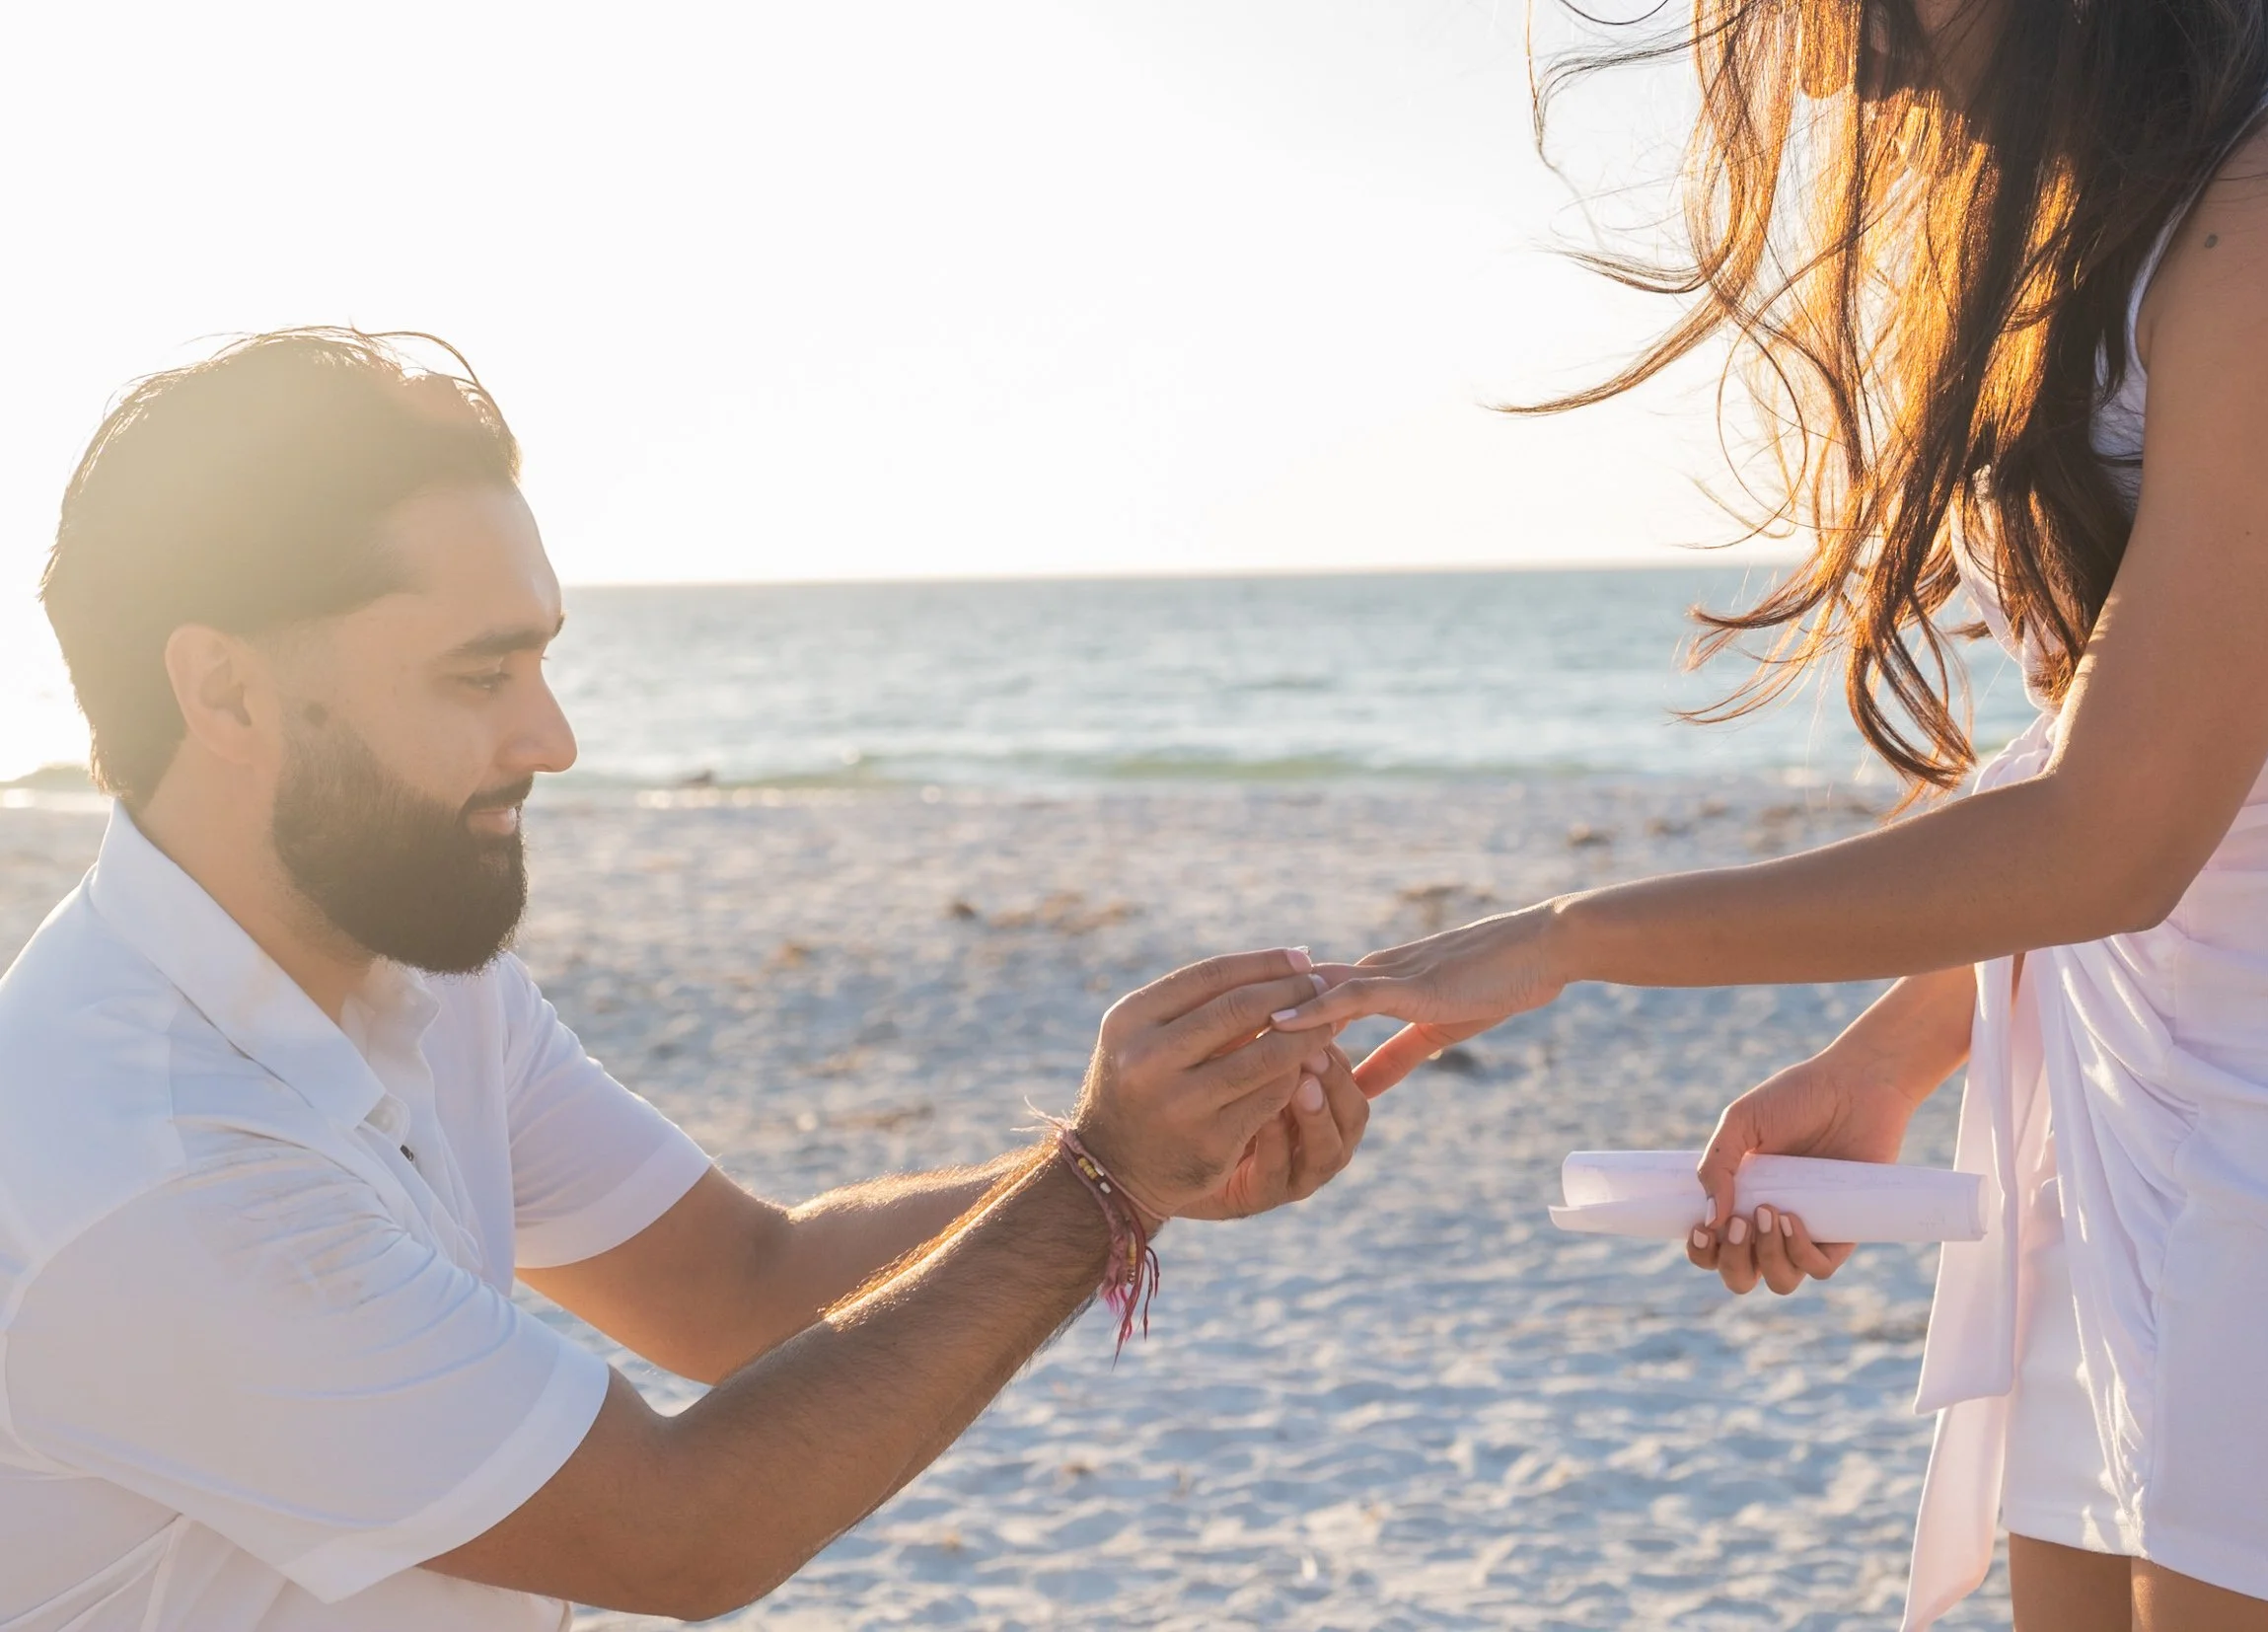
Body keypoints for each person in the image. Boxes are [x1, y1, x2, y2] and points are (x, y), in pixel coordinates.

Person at [1273, 1, 2268, 1628]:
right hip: (2117, 1114)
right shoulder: (2078, 185)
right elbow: (2102, 737)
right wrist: (1890, 1054)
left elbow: (2120, 832)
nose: (1802, 53)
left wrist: (1568, 939)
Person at [0, 329, 1373, 1630]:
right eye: (480, 675)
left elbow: (743, 1285)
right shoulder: (156, 1165)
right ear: (226, 695)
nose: (553, 738)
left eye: (541, 660)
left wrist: (1138, 1165)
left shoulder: (412, 974)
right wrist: (1101, 1187)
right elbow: (678, 1531)